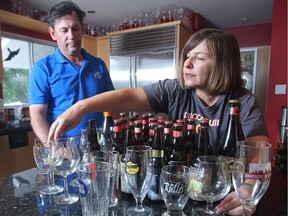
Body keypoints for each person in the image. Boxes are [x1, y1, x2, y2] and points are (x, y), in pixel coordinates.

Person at [48, 28, 269, 215]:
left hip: (221, 198)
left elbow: (259, 153)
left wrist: (249, 187)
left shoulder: (242, 101)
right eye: (187, 56)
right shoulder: (175, 90)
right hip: (180, 196)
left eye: (199, 58)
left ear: (223, 64)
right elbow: (128, 96)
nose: (188, 64)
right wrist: (80, 106)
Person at [28, 1, 114, 139]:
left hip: (99, 148)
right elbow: (37, 114)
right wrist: (52, 148)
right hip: (64, 151)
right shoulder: (43, 68)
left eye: (75, 29)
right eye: (64, 30)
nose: (71, 36)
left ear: (82, 30)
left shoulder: (98, 65)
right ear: (53, 33)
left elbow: (111, 103)